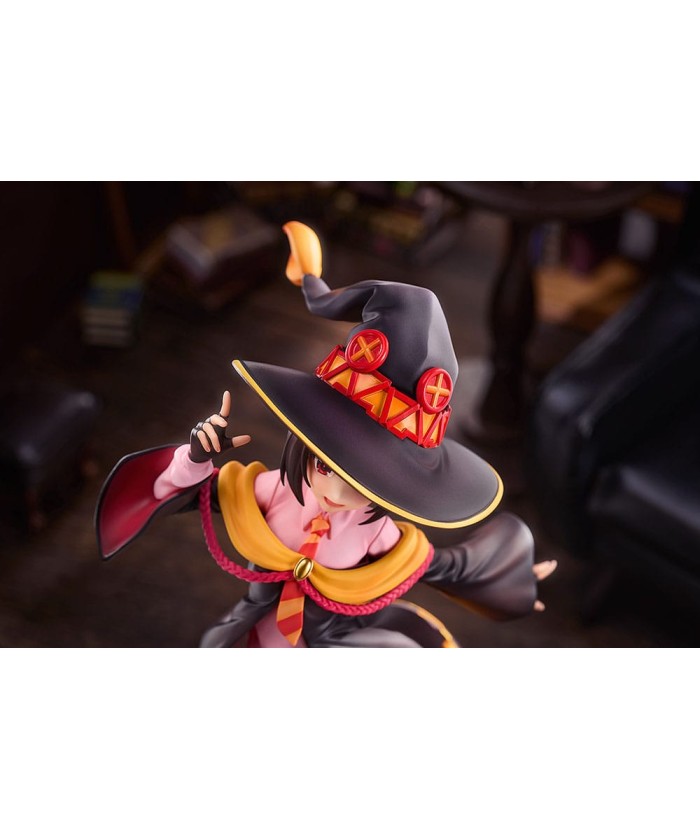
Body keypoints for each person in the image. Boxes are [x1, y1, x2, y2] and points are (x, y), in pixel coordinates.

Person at [96, 221, 556, 647]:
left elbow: (438, 565)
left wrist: (510, 582)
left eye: (362, 484)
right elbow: (192, 491)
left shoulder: (374, 531)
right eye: (324, 464)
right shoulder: (277, 492)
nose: (334, 492)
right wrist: (195, 456)